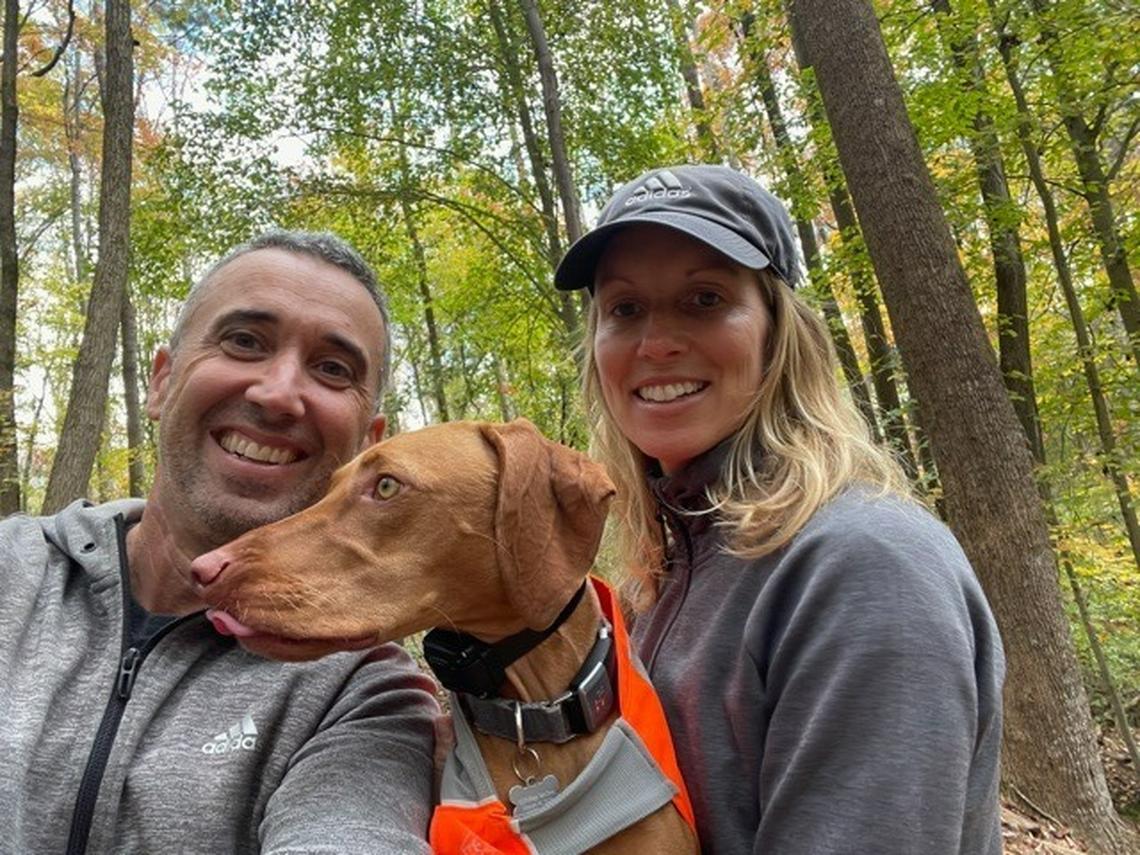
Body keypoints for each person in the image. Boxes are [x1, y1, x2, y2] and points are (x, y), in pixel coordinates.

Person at [554, 165, 1005, 854]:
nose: (655, 343)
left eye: (704, 298)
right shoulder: (660, 576)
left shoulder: (862, 563)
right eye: (624, 308)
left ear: (777, 335)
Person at [0, 232, 438, 854]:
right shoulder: (10, 572)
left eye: (333, 369)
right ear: (161, 382)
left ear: (368, 444)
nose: (279, 393)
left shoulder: (365, 692)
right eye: (244, 341)